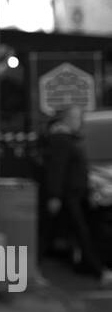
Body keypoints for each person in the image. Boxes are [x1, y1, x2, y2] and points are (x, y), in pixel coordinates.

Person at [43, 104, 112, 285]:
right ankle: (99, 272)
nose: (80, 121)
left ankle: (96, 270)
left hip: (72, 195)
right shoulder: (62, 140)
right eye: (77, 118)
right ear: (67, 119)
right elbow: (57, 169)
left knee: (60, 233)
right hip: (68, 196)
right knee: (78, 233)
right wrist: (55, 195)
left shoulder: (69, 139)